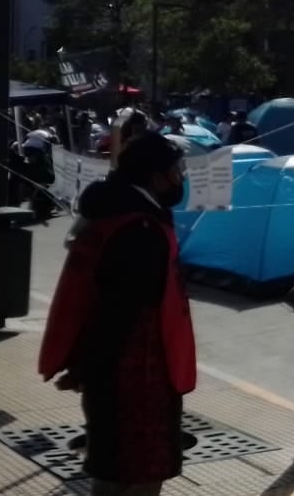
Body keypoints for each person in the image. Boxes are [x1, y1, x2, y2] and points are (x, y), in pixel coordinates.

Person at [39, 133, 197, 496]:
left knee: (112, 464)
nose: (181, 178)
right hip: (137, 371)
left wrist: (84, 366)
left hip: (112, 372)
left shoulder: (111, 214)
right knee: (138, 470)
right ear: (156, 176)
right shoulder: (142, 230)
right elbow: (120, 310)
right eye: (176, 170)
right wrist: (86, 368)